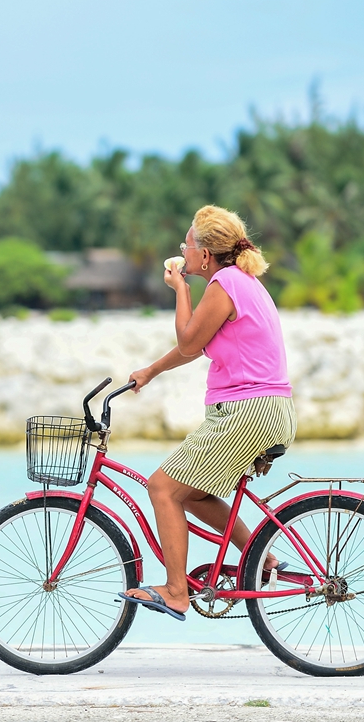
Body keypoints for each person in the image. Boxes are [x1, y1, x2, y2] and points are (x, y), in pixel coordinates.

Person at [119, 205, 296, 620]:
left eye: (188, 243)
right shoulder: (241, 281)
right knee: (192, 493)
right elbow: (197, 345)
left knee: (162, 488)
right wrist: (151, 371)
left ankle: (177, 592)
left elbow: (187, 340)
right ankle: (263, 558)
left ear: (205, 254)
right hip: (264, 410)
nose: (183, 249)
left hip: (247, 411)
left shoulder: (225, 283)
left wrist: (179, 290)